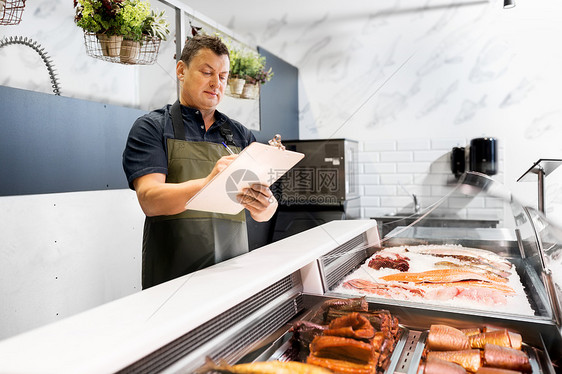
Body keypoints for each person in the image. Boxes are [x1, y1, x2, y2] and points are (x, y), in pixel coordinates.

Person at [122, 34, 277, 289]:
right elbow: (149, 199)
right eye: (207, 72)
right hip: (172, 280)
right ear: (181, 71)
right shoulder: (152, 128)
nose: (216, 83)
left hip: (233, 277)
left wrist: (265, 206)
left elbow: (266, 210)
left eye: (223, 76)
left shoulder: (240, 135)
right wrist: (208, 183)